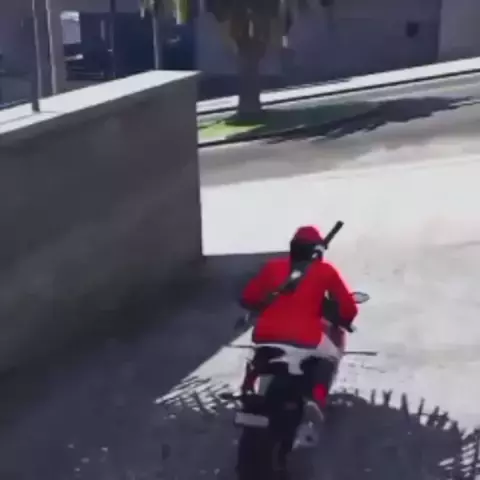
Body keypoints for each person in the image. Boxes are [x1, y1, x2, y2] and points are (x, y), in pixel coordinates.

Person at [239, 225, 358, 416]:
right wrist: (344, 318)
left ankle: (248, 386)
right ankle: (317, 399)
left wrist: (263, 305)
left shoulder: (272, 267)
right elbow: (348, 308)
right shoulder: (325, 271)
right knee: (330, 355)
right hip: (304, 338)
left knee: (258, 356)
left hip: (265, 336)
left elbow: (248, 297)